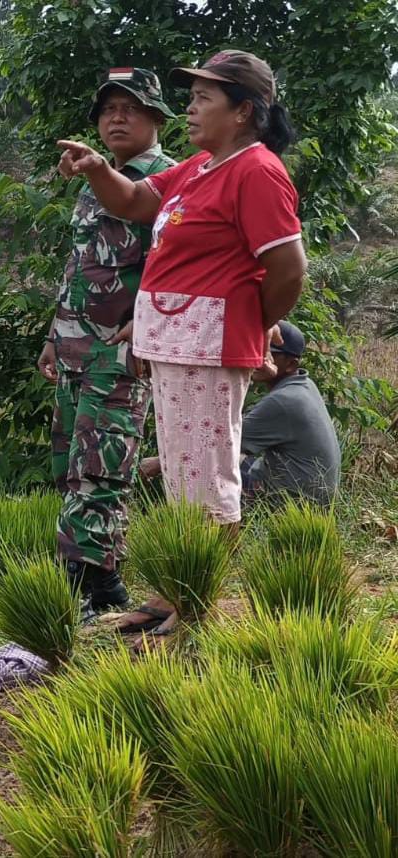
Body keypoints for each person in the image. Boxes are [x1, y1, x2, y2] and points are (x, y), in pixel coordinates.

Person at [56, 50, 308, 639]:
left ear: (244, 111)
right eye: (191, 96)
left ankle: (200, 602)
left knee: (208, 477)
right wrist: (96, 167)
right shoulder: (200, 167)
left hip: (207, 344)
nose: (190, 108)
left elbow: (288, 269)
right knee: (183, 475)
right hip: (174, 344)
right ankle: (176, 591)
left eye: (203, 97)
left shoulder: (256, 170)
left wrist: (245, 322)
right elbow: (137, 202)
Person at [38, 68, 177, 619]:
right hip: (75, 349)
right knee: (75, 468)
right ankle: (103, 588)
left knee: (101, 468)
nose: (117, 118)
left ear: (158, 119)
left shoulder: (169, 181)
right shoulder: (95, 185)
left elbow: (172, 265)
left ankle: (79, 592)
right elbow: (79, 267)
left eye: (131, 108)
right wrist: (55, 334)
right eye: (108, 110)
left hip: (121, 352)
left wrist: (148, 324)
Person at [144, 320, 341, 506]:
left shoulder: (283, 402)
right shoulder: (304, 385)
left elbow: (217, 446)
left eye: (268, 352)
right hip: (312, 496)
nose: (256, 355)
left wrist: (158, 463)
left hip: (295, 501)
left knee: (211, 471)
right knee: (236, 461)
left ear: (291, 364)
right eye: (255, 347)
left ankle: (194, 529)